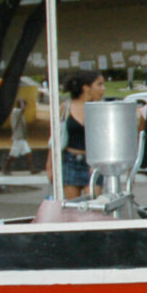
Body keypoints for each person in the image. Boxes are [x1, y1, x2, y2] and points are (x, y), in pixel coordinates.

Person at [59, 70, 105, 199]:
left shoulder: (100, 108)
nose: (103, 89)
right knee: (72, 207)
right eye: (99, 85)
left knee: (94, 204)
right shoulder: (66, 107)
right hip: (71, 160)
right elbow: (57, 137)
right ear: (86, 88)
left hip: (93, 162)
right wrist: (51, 165)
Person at [4, 98, 31, 175]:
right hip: (18, 137)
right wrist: (21, 101)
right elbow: (23, 109)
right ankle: (5, 168)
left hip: (21, 137)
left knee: (28, 152)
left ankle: (32, 169)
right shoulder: (16, 111)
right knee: (13, 154)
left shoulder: (19, 113)